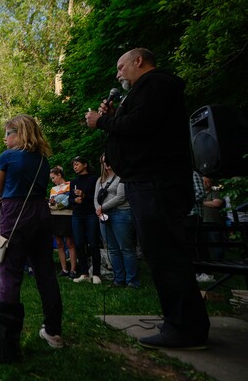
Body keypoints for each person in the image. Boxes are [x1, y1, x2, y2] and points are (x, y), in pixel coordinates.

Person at [85, 47, 210, 349]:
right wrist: (114, 117)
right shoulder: (145, 91)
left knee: (166, 254)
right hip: (147, 181)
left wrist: (101, 122)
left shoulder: (156, 84)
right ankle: (179, 320)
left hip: (156, 182)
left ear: (138, 61)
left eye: (120, 67)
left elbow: (141, 126)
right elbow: (136, 125)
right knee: (160, 253)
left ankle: (186, 328)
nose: (118, 74)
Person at [0, 114, 63, 363]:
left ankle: (4, 343)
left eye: (8, 133)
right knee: (45, 272)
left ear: (19, 133)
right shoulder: (44, 160)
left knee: (10, 272)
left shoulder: (8, 157)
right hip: (41, 213)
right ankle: (53, 332)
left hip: (15, 213)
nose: (5, 138)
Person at [94, 156, 139, 288]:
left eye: (108, 160)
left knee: (126, 248)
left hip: (121, 213)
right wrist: (98, 208)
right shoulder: (100, 180)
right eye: (103, 161)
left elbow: (121, 197)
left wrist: (102, 207)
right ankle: (119, 279)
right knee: (112, 249)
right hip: (104, 215)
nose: (106, 164)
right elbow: (96, 198)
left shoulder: (122, 177)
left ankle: (132, 281)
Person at [69, 157, 101, 284]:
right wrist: (75, 200)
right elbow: (70, 199)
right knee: (78, 244)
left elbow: (97, 197)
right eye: (74, 165)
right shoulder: (73, 182)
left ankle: (97, 274)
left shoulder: (94, 180)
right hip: (77, 215)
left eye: (77, 164)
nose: (75, 167)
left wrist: (84, 196)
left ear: (85, 165)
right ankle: (84, 273)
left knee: (93, 244)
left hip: (91, 214)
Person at [49, 166, 77, 278]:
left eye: (53, 177)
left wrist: (57, 206)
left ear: (59, 175)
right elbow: (52, 204)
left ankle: (73, 270)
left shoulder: (70, 185)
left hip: (67, 216)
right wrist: (51, 203)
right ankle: (64, 269)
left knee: (70, 243)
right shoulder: (53, 189)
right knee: (59, 244)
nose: (52, 180)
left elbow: (68, 200)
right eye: (51, 178)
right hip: (55, 217)